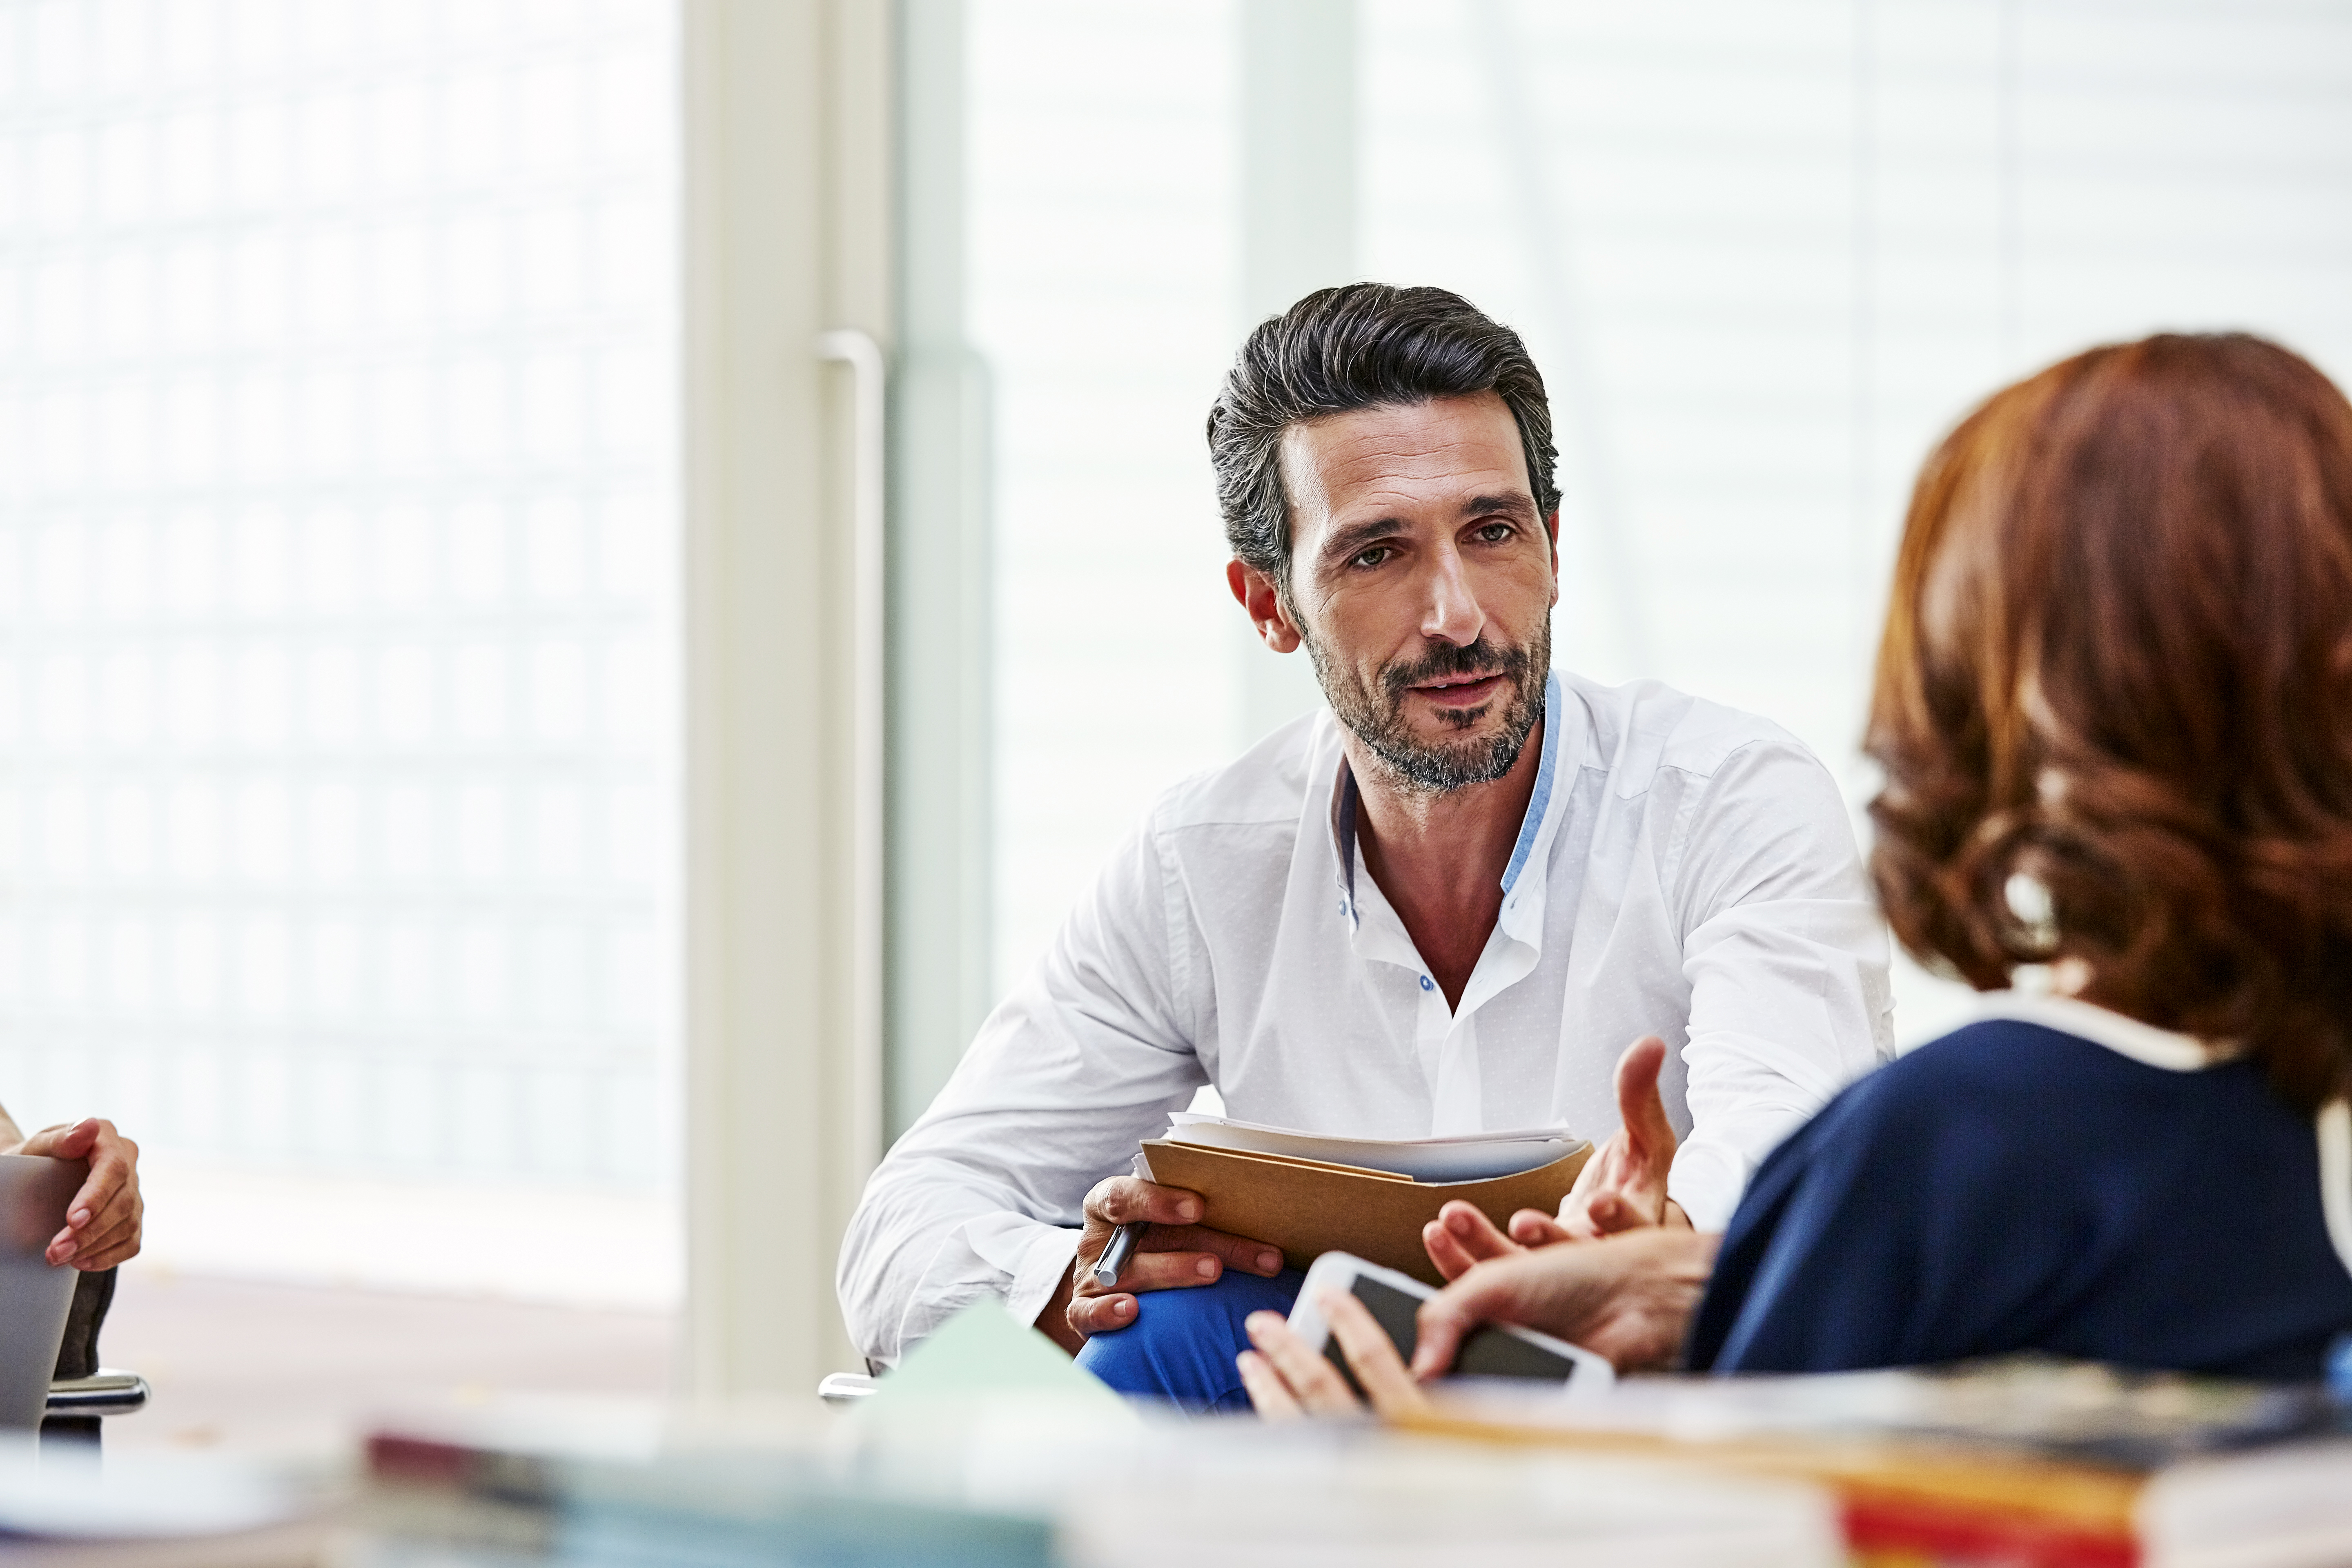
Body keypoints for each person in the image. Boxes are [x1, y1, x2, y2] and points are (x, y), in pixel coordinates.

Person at [1239, 331, 2352, 1418]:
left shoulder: (1963, 1142)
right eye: (1377, 551)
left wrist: (1400, 1476)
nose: (1457, 614)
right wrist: (1704, 1287)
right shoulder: (2268, 1126)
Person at [839, 283, 1894, 1407]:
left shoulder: (1729, 801)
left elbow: (1806, 1194)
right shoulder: (1201, 862)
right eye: (1376, 555)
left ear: (1552, 547)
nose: (1456, 616)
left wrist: (1668, 1242)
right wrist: (1074, 1279)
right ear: (1268, 603)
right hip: (1312, 1461)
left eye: (1493, 532)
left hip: (1649, 1464)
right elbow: (901, 1237)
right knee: (1152, 1339)